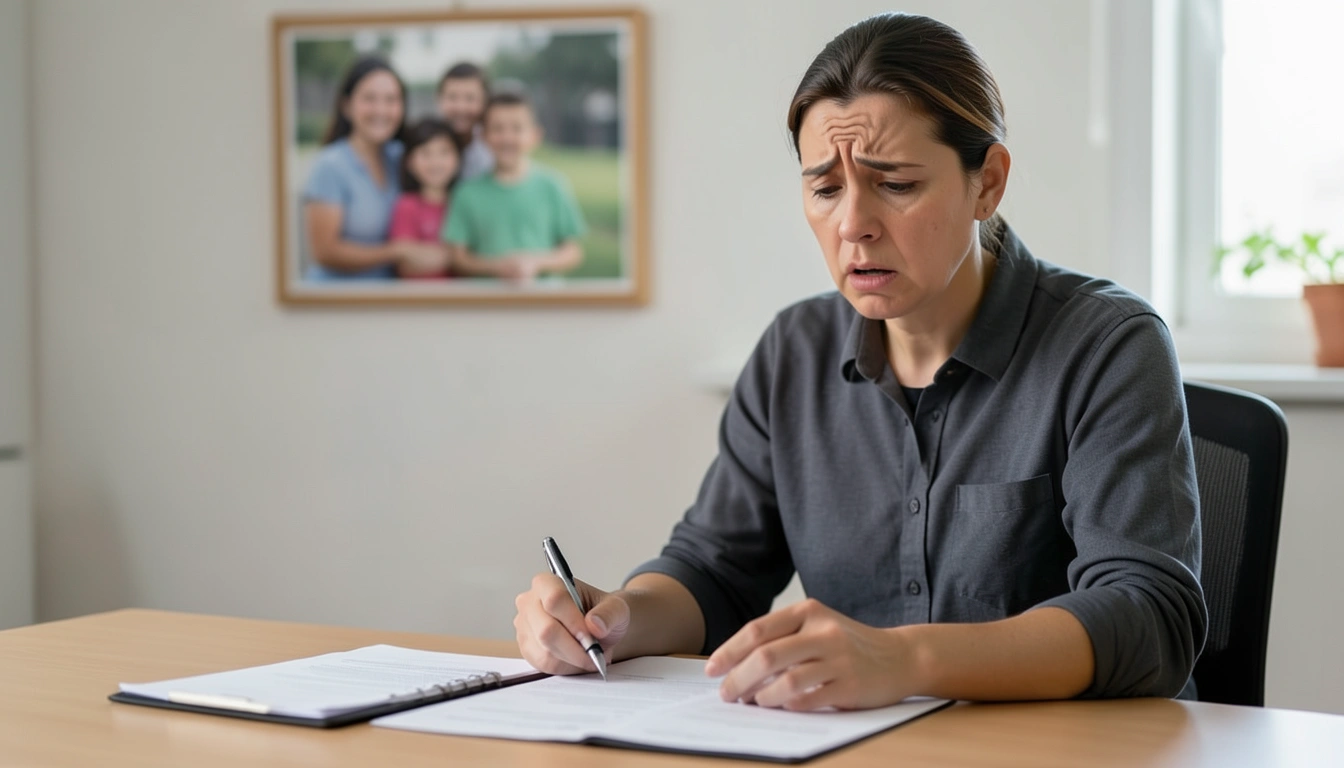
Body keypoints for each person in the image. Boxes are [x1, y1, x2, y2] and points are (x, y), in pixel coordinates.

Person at [512, 12, 1208, 710]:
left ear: (988, 182)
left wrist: (906, 658)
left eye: (896, 184)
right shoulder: (793, 351)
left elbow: (1148, 614)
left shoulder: (1107, 344)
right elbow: (713, 571)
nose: (853, 223)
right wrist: (617, 618)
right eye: (824, 188)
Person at [302, 57, 448, 280]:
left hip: (386, 304)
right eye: (369, 99)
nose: (381, 109)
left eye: (391, 100)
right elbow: (325, 251)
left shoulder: (401, 157)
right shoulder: (330, 165)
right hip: (334, 303)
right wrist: (397, 251)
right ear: (347, 106)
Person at [443, 92, 585, 282]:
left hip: (544, 304)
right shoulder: (466, 193)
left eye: (517, 128)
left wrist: (535, 263)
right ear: (483, 136)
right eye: (498, 129)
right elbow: (458, 258)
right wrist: (498, 266)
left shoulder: (552, 186)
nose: (507, 138)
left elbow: (573, 251)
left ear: (535, 136)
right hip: (485, 307)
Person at [389, 118, 464, 279]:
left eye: (444, 152)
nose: (435, 162)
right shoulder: (407, 206)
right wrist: (458, 257)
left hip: (461, 299)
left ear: (458, 158)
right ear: (410, 162)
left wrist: (430, 255)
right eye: (425, 153)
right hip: (419, 299)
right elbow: (406, 265)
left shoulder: (464, 202)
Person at [436, 61, 494, 181]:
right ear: (439, 100)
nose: (461, 107)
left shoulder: (492, 149)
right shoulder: (426, 143)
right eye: (452, 97)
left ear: (485, 101)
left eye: (470, 98)